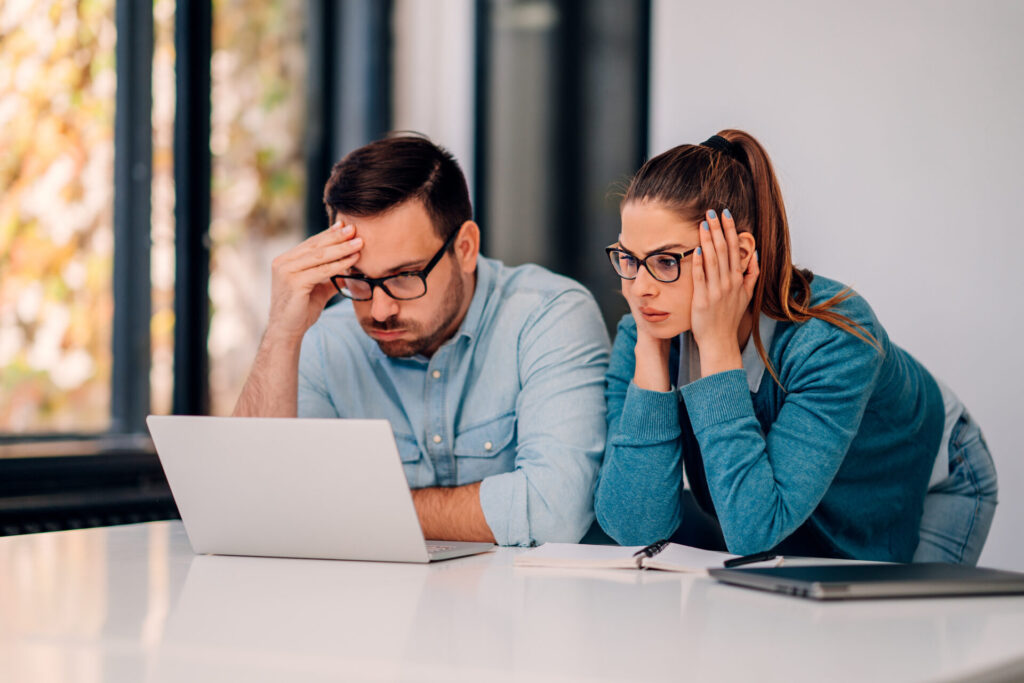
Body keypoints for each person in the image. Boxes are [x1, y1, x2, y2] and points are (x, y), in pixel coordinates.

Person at [594, 129, 997, 564]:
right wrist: (652, 355)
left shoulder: (833, 338)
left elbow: (753, 530)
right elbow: (634, 529)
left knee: (902, 626)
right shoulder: (646, 330)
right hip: (800, 498)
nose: (639, 288)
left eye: (666, 261)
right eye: (629, 260)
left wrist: (716, 348)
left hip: (932, 473)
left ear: (739, 254)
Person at [233, 134, 610, 546]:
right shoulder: (325, 340)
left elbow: (554, 512)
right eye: (357, 280)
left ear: (464, 248)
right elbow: (255, 508)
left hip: (523, 607)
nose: (379, 310)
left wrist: (350, 511)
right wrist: (282, 334)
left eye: (404, 276)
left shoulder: (549, 316)